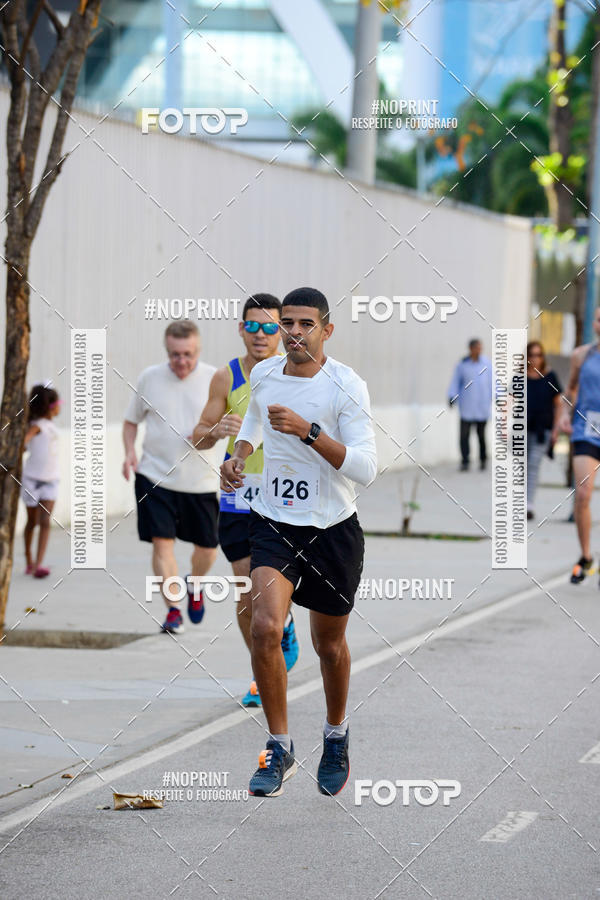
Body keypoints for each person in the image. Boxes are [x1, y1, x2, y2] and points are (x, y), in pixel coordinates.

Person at [221, 287, 377, 798]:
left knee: (327, 645)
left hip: (332, 526)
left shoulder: (346, 385)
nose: (292, 332)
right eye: (286, 322)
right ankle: (280, 745)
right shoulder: (263, 374)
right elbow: (252, 421)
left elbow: (366, 469)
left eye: (304, 324)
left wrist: (311, 433)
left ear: (326, 330)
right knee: (265, 626)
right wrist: (239, 456)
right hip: (274, 520)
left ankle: (335, 734)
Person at [192, 294, 299, 707]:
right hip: (237, 495)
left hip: (285, 496)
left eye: (270, 327)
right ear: (241, 328)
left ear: (282, 330)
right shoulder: (226, 376)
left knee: (269, 590)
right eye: (252, 326)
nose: (261, 335)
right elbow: (198, 436)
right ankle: (262, 669)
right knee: (244, 586)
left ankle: (281, 627)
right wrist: (218, 429)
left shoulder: (297, 373)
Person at [122, 321, 220, 633]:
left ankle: (195, 582)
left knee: (207, 549)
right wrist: (129, 453)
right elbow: (130, 422)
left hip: (201, 481)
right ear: (167, 351)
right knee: (162, 546)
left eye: (188, 354)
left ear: (198, 350)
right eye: (175, 355)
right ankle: (173, 610)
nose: (182, 361)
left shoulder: (215, 378)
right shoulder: (150, 378)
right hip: (154, 477)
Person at [554, 307, 600, 584]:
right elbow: (570, 389)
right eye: (598, 318)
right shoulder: (581, 356)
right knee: (583, 494)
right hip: (587, 431)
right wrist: (563, 415)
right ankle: (586, 556)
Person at [21, 385, 61, 578]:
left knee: (45, 521)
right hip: (32, 480)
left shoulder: (51, 426)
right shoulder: (37, 426)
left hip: (51, 480)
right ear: (49, 407)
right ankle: (29, 559)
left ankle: (38, 564)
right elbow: (24, 441)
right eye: (57, 403)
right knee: (32, 521)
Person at [525, 341, 562, 520]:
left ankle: (528, 505)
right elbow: (508, 402)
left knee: (532, 464)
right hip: (522, 429)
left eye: (538, 355)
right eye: (532, 354)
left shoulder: (550, 376)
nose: (535, 358)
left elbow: (559, 404)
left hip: (543, 429)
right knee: (521, 467)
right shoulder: (520, 378)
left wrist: (556, 430)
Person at [447, 339, 493, 470]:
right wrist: (452, 396)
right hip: (467, 405)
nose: (478, 350)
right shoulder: (462, 365)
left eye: (480, 348)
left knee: (481, 435)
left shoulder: (486, 364)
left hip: (482, 406)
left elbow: (493, 382)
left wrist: (498, 396)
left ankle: (483, 459)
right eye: (476, 348)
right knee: (464, 436)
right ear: (470, 349)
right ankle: (465, 461)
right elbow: (455, 382)